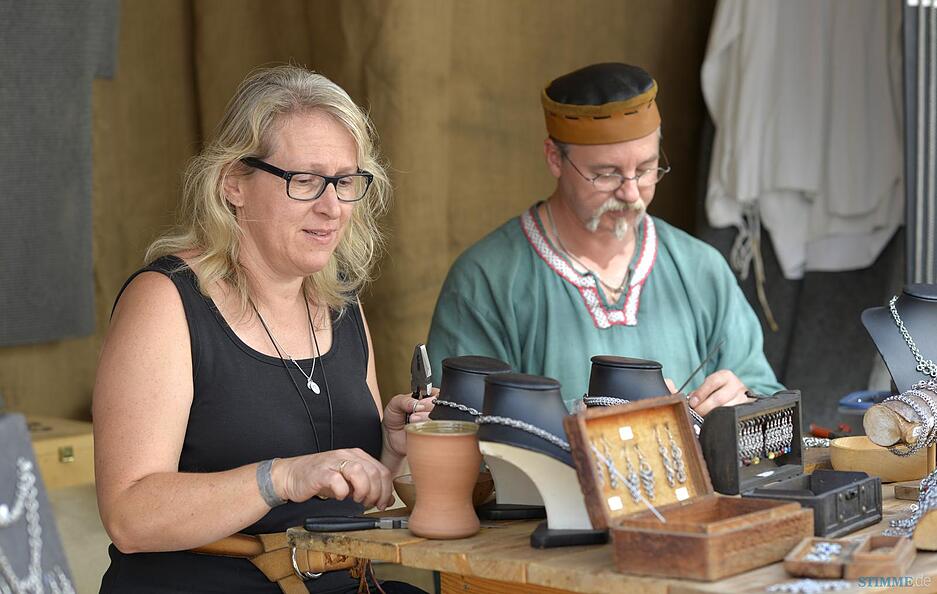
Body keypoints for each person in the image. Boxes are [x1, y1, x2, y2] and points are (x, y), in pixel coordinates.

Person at [93, 65, 431, 594]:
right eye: (305, 180)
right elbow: (130, 516)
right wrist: (284, 477)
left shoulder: (339, 302)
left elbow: (361, 501)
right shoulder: (166, 300)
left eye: (344, 182)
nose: (332, 207)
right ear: (234, 183)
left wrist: (390, 453)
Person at [427, 62, 783, 415]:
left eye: (645, 170)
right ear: (554, 158)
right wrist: (581, 420)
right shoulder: (486, 280)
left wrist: (743, 402)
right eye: (606, 174)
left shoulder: (700, 268)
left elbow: (767, 396)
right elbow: (458, 429)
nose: (631, 193)